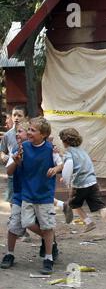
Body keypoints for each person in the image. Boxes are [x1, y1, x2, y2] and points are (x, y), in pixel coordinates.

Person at [6, 117, 63, 274]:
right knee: (26, 223)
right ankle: (47, 241)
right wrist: (16, 162)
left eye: (31, 130)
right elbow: (11, 169)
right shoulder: (22, 148)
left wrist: (56, 169)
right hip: (26, 195)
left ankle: (48, 258)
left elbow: (62, 163)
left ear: (43, 134)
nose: (21, 134)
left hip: (44, 196)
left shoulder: (50, 149)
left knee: (47, 225)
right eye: (28, 129)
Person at [59, 128, 106, 240]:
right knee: (101, 206)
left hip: (79, 185)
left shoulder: (69, 153)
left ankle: (89, 222)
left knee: (74, 205)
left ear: (65, 141)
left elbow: (69, 166)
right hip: (92, 182)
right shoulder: (83, 151)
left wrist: (66, 179)